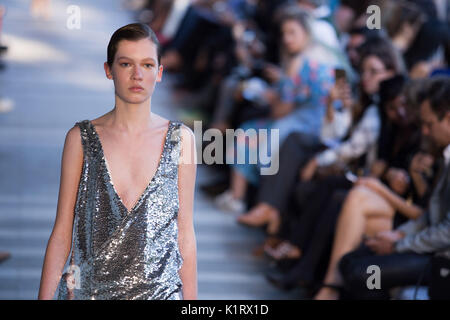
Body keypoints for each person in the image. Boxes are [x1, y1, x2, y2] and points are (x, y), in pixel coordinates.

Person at [38, 23, 197, 300]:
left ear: (159, 73)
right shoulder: (81, 139)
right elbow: (63, 231)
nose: (137, 75)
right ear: (109, 70)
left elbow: (185, 235)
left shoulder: (182, 140)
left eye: (147, 65)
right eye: (126, 64)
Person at [339, 77, 450, 299]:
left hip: (441, 260)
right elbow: (431, 216)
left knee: (363, 274)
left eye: (429, 124)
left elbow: (446, 231)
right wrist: (399, 234)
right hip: (427, 246)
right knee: (351, 261)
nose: (425, 132)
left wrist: (399, 245)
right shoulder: (446, 153)